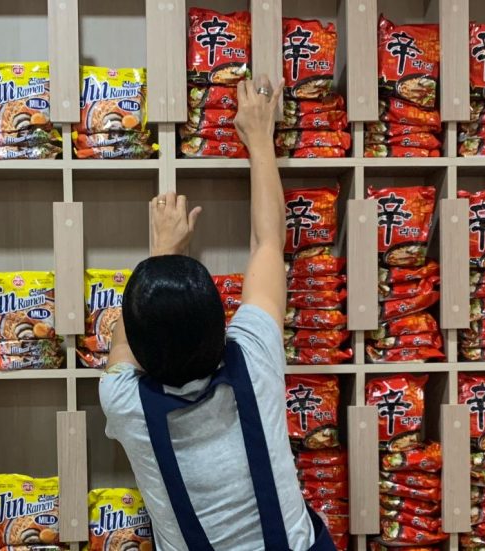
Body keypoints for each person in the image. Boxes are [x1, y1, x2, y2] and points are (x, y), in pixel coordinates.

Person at [99, 74, 336, 551]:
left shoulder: (125, 404)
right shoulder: (254, 357)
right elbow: (269, 242)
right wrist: (258, 139)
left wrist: (164, 249)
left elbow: (122, 340)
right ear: (220, 321)